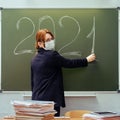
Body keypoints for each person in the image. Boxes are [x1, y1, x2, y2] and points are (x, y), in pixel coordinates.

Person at [31, 29, 96, 116]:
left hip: (37, 100)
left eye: (51, 39)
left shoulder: (34, 59)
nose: (51, 41)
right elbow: (68, 63)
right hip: (50, 101)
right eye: (47, 40)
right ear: (39, 43)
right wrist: (86, 60)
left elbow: (33, 82)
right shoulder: (51, 55)